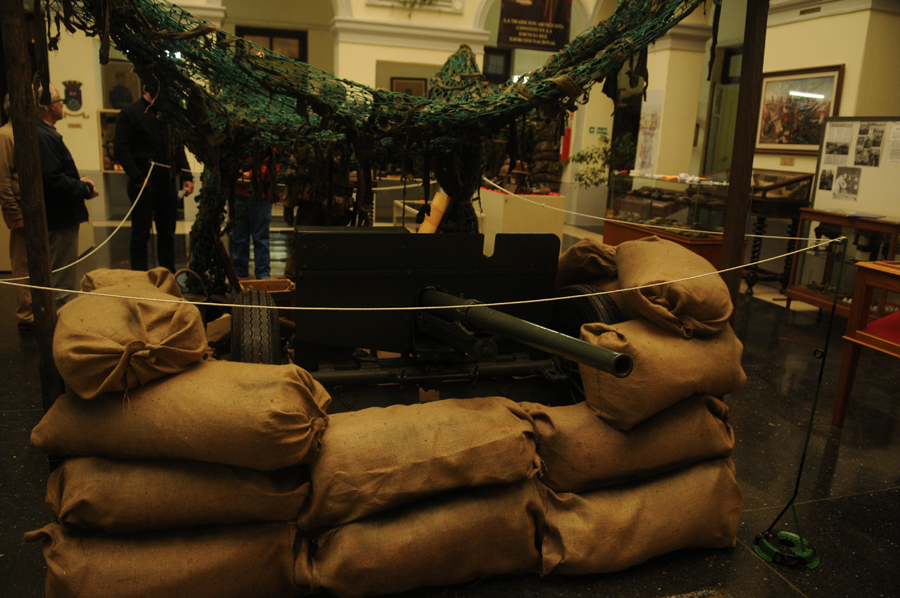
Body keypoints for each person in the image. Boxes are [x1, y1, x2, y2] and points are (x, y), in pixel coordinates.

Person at [114, 86, 194, 273]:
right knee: (141, 235)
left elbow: (177, 147)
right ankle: (140, 279)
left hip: (166, 184)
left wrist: (187, 176)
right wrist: (137, 177)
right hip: (143, 184)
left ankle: (167, 276)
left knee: (167, 235)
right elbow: (121, 149)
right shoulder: (130, 113)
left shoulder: (167, 115)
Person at [35, 84, 99, 307]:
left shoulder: (44, 133)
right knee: (61, 284)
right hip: (60, 216)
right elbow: (52, 179)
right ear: (51, 105)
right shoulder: (43, 135)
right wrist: (85, 189)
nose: (63, 105)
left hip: (59, 214)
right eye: (61, 101)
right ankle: (61, 331)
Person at [1, 94, 34, 329]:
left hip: (32, 207)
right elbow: (2, 180)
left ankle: (36, 308)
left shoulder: (24, 134)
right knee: (22, 263)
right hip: (20, 208)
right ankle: (26, 314)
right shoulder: (5, 135)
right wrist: (14, 214)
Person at [232, 163, 273, 280]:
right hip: (239, 194)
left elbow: (272, 163)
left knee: (260, 238)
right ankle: (240, 274)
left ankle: (263, 274)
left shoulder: (266, 148)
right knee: (239, 237)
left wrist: (251, 174)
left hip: (261, 196)